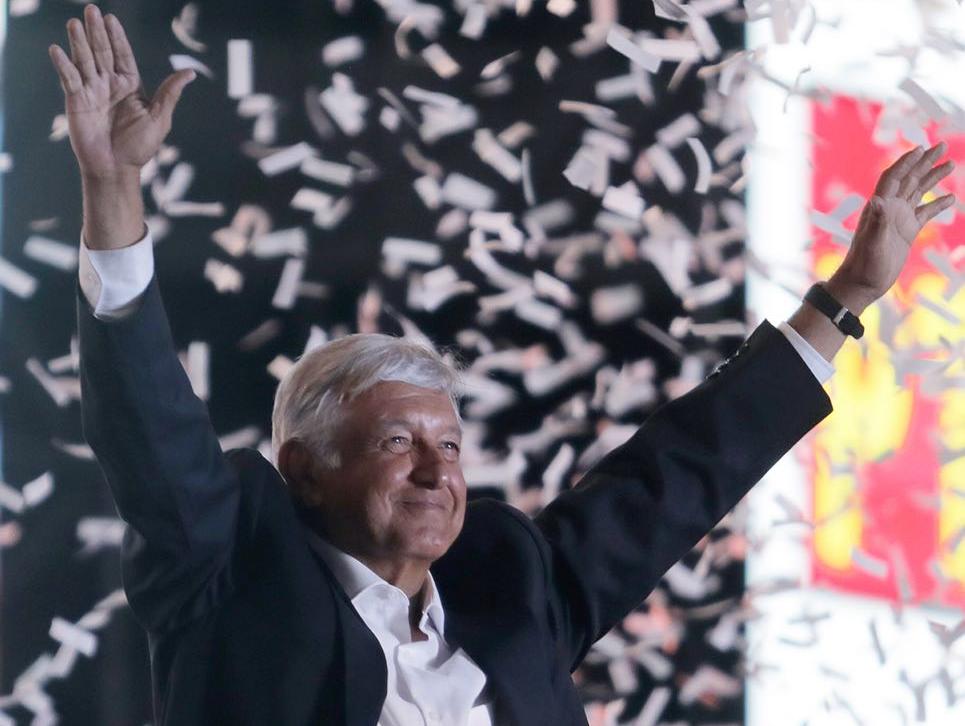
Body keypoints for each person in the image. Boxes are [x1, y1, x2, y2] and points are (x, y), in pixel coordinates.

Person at [49, 4, 955, 726]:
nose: (440, 470)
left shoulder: (507, 582)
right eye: (398, 440)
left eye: (448, 442)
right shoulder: (232, 572)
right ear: (304, 470)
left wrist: (841, 301)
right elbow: (149, 428)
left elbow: (677, 473)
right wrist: (111, 192)